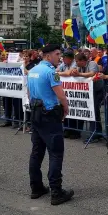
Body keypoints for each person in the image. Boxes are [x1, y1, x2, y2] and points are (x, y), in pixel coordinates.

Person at [27, 44, 74, 205]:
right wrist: (66, 108)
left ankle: (36, 187)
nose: (59, 57)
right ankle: (56, 191)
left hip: (35, 113)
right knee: (55, 153)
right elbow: (60, 95)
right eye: (57, 54)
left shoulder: (32, 71)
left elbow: (29, 93)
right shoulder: (50, 72)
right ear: (48, 56)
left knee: (37, 152)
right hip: (49, 114)